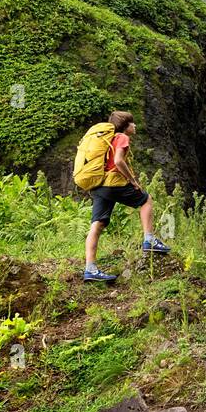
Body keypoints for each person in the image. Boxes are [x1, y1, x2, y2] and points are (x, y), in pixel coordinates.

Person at [82, 111, 170, 283]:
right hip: (114, 183)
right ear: (125, 126)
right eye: (132, 123)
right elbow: (118, 161)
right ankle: (149, 240)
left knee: (97, 224)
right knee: (145, 200)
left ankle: (90, 268)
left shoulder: (105, 140)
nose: (135, 126)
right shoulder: (121, 137)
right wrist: (133, 180)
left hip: (99, 185)